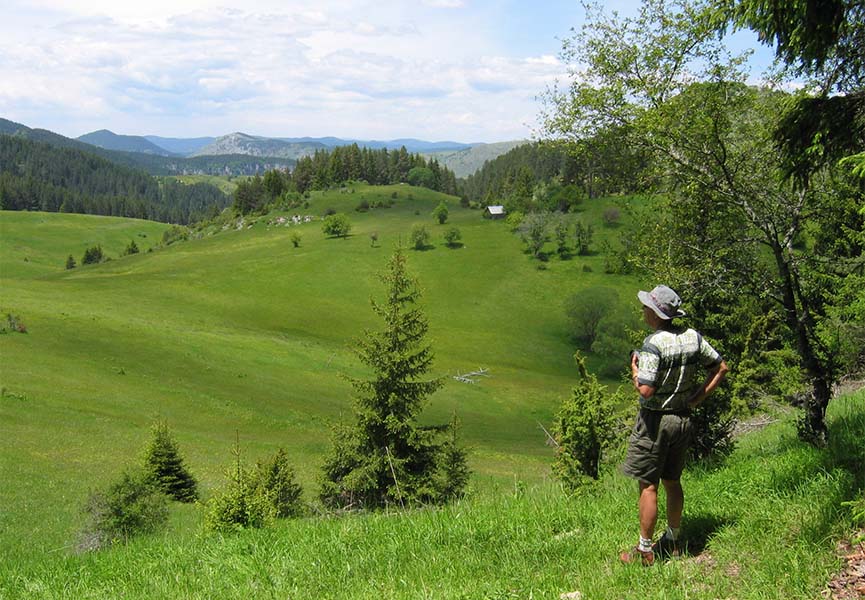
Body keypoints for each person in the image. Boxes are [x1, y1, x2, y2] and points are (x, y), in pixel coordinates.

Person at [619, 285, 729, 566]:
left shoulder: (653, 344)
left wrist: (634, 370)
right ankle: (674, 539)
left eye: (646, 307)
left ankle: (645, 550)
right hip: (682, 418)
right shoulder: (693, 337)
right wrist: (698, 397)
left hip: (655, 421)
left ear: (655, 314)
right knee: (672, 481)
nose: (643, 311)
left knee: (648, 485)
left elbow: (645, 391)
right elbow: (721, 367)